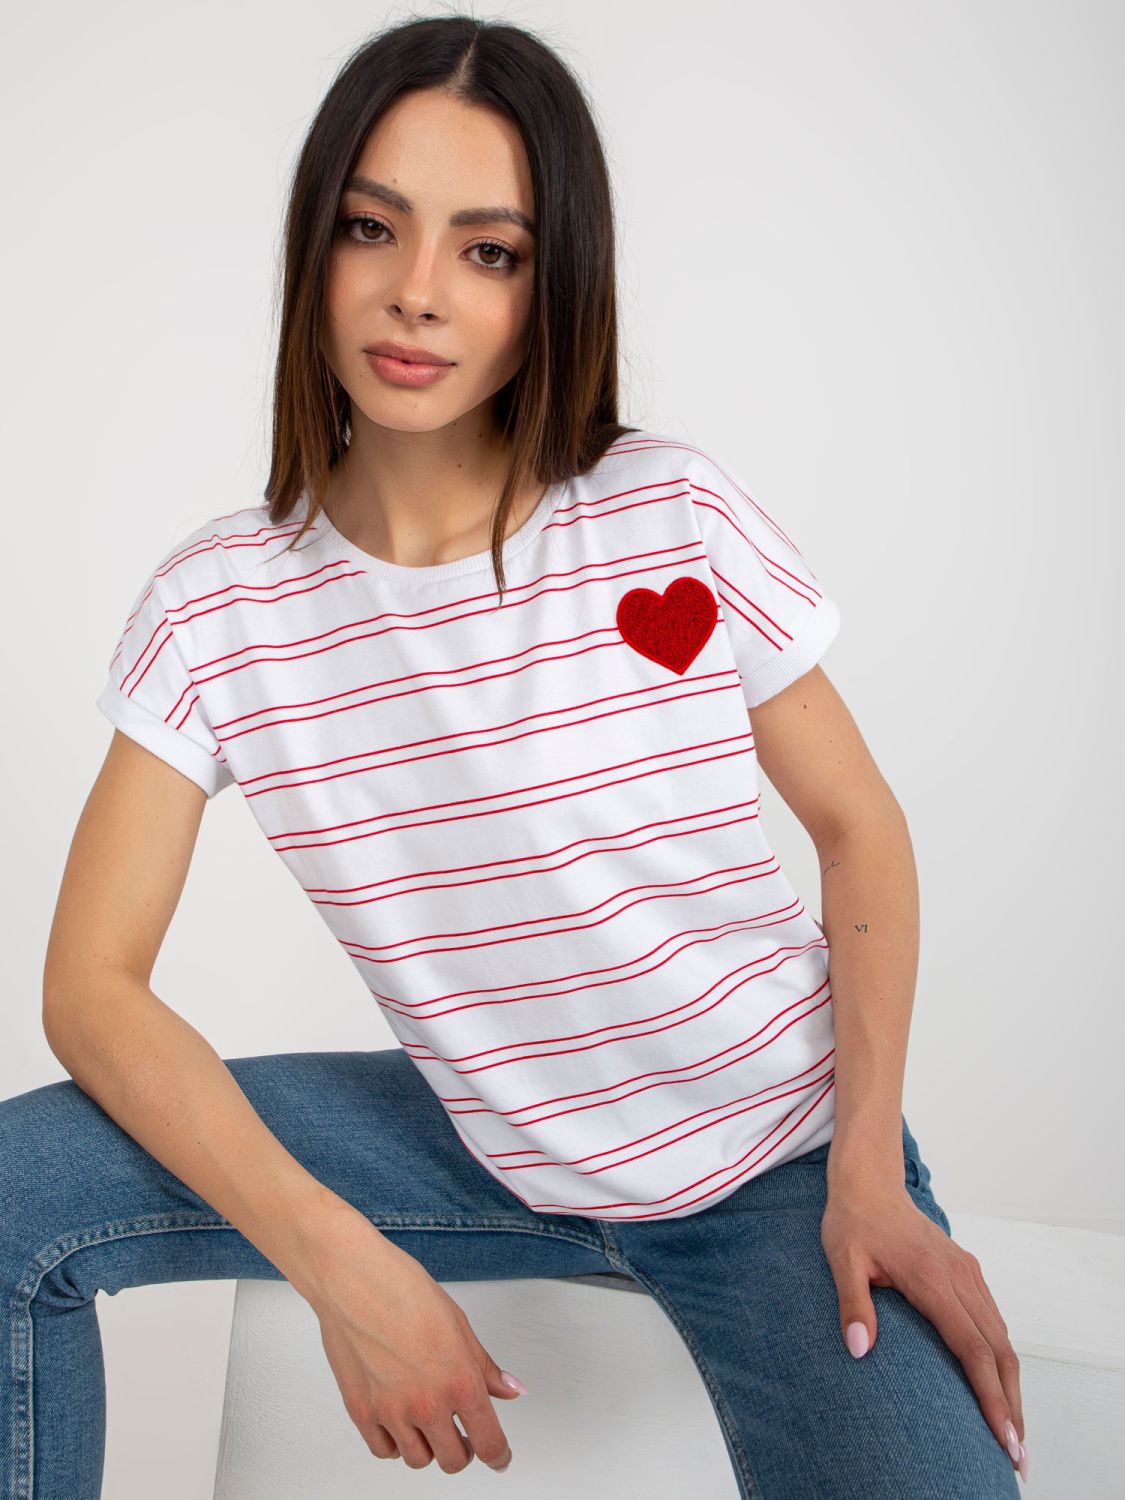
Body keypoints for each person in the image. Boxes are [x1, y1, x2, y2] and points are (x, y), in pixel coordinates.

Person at [1, 15, 1027, 1499]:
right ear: (315, 245)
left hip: (775, 1162)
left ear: (552, 287)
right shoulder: (219, 604)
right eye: (372, 228)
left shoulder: (667, 512)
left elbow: (860, 828)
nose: (416, 290)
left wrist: (866, 1166)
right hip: (469, 1135)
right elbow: (90, 987)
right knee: (14, 1192)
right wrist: (340, 1264)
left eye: (488, 251)